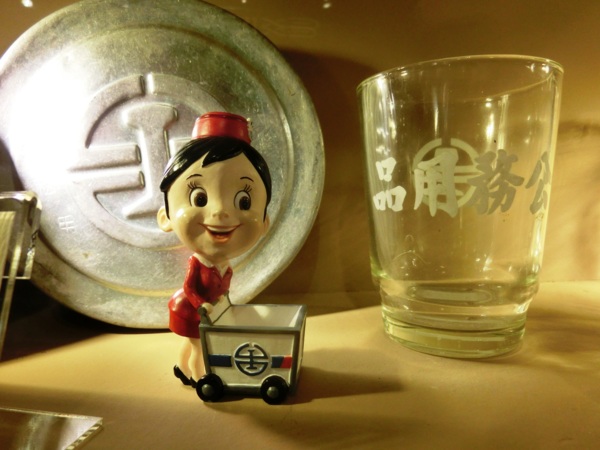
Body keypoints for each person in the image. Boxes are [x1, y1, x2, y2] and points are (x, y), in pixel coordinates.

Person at [157, 112, 272, 387]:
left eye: (244, 201)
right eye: (199, 198)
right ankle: (202, 378)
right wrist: (203, 305)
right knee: (200, 346)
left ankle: (182, 368)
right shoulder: (198, 264)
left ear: (265, 223)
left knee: (194, 343)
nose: (220, 212)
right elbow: (190, 288)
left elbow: (222, 288)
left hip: (208, 312)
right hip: (190, 310)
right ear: (165, 216)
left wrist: (222, 304)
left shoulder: (224, 266)